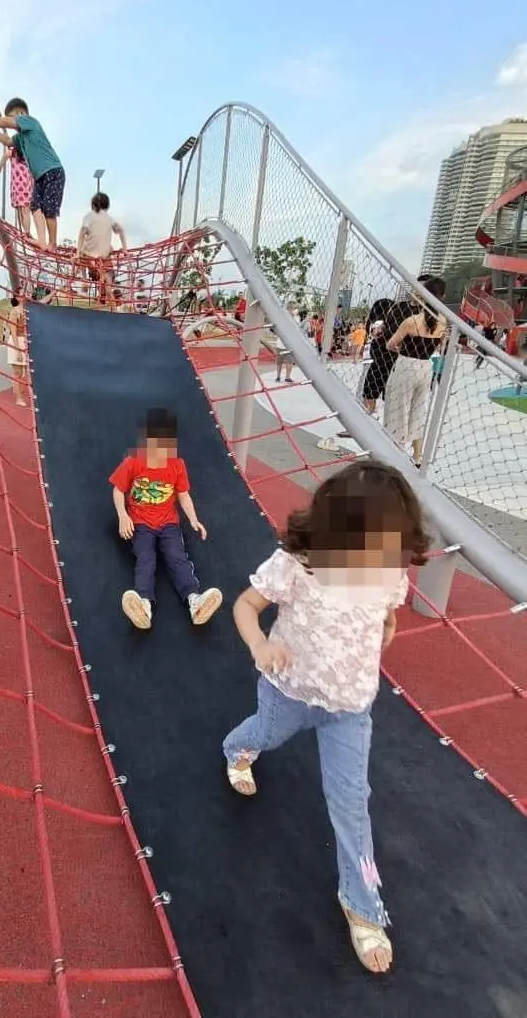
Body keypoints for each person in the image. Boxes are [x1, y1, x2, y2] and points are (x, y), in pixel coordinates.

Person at [223, 460, 428, 974]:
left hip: (350, 710)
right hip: (289, 692)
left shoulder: (389, 571)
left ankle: (362, 904)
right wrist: (261, 645)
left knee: (353, 804)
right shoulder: (300, 563)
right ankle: (236, 748)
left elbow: (387, 611)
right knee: (265, 734)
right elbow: (245, 605)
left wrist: (384, 628)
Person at [110, 408, 223, 630]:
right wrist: (123, 516)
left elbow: (183, 494)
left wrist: (193, 519)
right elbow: (118, 490)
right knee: (146, 558)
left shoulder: (176, 464)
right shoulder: (133, 462)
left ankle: (194, 601)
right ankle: (144, 604)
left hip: (168, 522)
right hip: (140, 522)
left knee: (176, 556)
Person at [0, 99, 65, 249]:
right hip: (39, 177)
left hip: (53, 171)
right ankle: (42, 241)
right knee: (34, 205)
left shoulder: (30, 122)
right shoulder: (20, 137)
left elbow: (6, 122)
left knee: (49, 210)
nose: (12, 122)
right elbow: (7, 141)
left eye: (13, 117)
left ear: (22, 113)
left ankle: (52, 243)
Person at [383, 276, 447, 466]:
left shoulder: (411, 321)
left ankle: (394, 453)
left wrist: (401, 350)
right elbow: (440, 346)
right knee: (418, 410)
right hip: (426, 366)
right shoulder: (443, 321)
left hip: (407, 364)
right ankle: (417, 456)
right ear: (442, 296)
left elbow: (390, 344)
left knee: (398, 409)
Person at [77, 192, 127, 306]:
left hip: (90, 256)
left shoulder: (89, 216)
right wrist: (125, 248)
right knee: (107, 283)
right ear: (107, 206)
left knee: (82, 257)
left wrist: (77, 252)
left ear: (92, 205)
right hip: (103, 257)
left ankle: (85, 281)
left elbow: (82, 233)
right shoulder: (109, 219)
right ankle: (108, 299)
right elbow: (121, 230)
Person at [0, 142, 33, 235]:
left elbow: (5, 156)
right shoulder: (27, 153)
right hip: (26, 185)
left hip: (18, 185)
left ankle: (26, 232)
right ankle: (26, 232)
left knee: (21, 210)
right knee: (24, 210)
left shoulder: (13, 152)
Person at [6, 294, 27, 406]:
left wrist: (54, 292)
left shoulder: (29, 309)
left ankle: (26, 394)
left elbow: (42, 302)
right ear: (17, 298)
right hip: (17, 341)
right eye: (22, 294)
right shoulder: (14, 311)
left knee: (29, 372)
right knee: (18, 372)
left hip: (27, 341)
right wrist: (18, 350)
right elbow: (13, 332)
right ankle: (19, 398)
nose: (25, 295)